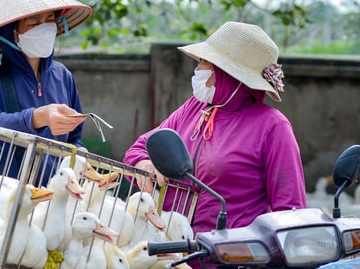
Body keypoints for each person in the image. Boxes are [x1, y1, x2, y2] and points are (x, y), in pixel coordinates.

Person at [124, 21, 307, 245]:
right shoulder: (194, 107)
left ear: (227, 73)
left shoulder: (273, 127)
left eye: (203, 62)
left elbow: (290, 212)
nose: (196, 69)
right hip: (171, 251)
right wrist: (143, 164)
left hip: (231, 256)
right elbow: (141, 147)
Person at [0, 0, 93, 184]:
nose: (44, 27)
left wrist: (81, 155)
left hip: (51, 195)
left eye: (50, 19)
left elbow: (73, 138)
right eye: (33, 22)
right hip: (0, 193)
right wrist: (38, 117)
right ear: (9, 32)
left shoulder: (63, 76)